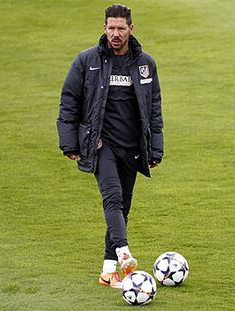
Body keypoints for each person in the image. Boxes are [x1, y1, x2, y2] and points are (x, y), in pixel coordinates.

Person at [57, 4, 163, 289]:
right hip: (101, 144)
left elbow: (154, 108)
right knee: (112, 198)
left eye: (121, 28)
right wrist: (69, 143)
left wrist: (155, 149)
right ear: (104, 28)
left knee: (122, 208)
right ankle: (124, 253)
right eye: (111, 28)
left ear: (131, 29)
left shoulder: (144, 64)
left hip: (133, 147)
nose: (115, 34)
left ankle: (107, 272)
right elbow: (69, 101)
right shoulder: (86, 61)